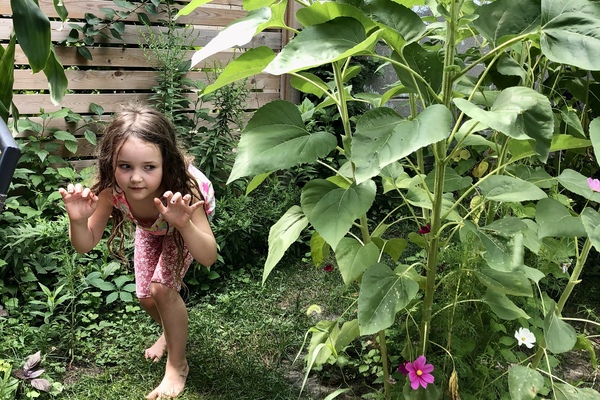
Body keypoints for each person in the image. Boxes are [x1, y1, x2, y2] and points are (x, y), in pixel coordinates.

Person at [58, 103, 217, 399]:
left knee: (162, 289)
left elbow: (208, 256)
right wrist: (78, 221)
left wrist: (183, 225)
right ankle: (171, 334)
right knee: (146, 297)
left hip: (184, 222)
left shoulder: (186, 190)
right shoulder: (111, 190)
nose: (135, 178)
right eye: (125, 166)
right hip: (151, 227)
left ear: (165, 163)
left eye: (149, 167)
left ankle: (177, 365)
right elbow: (85, 244)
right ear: (111, 163)